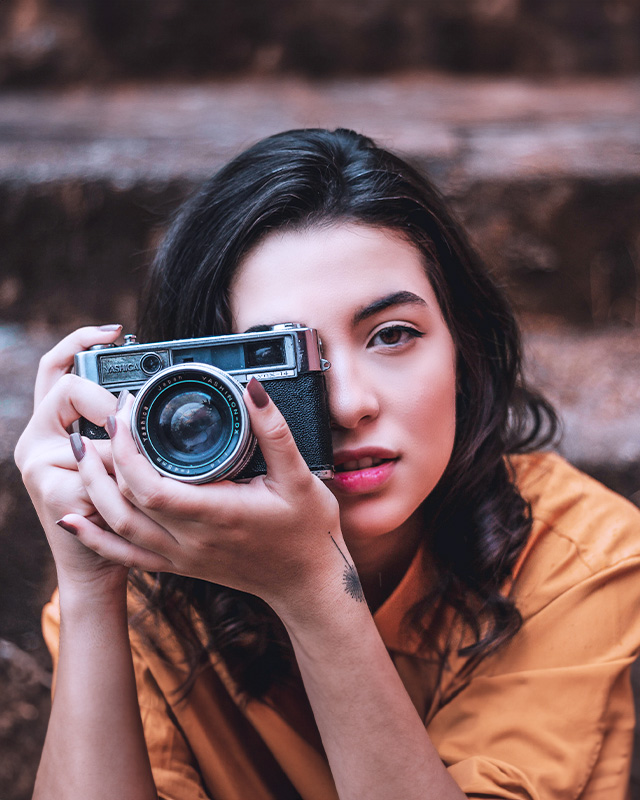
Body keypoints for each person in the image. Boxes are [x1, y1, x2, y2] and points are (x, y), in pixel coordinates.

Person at [15, 128, 640, 800]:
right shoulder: (155, 577)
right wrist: (88, 587)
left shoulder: (579, 555)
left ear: (466, 350)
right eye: (277, 361)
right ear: (195, 388)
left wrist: (313, 591)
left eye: (392, 335)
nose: (347, 404)